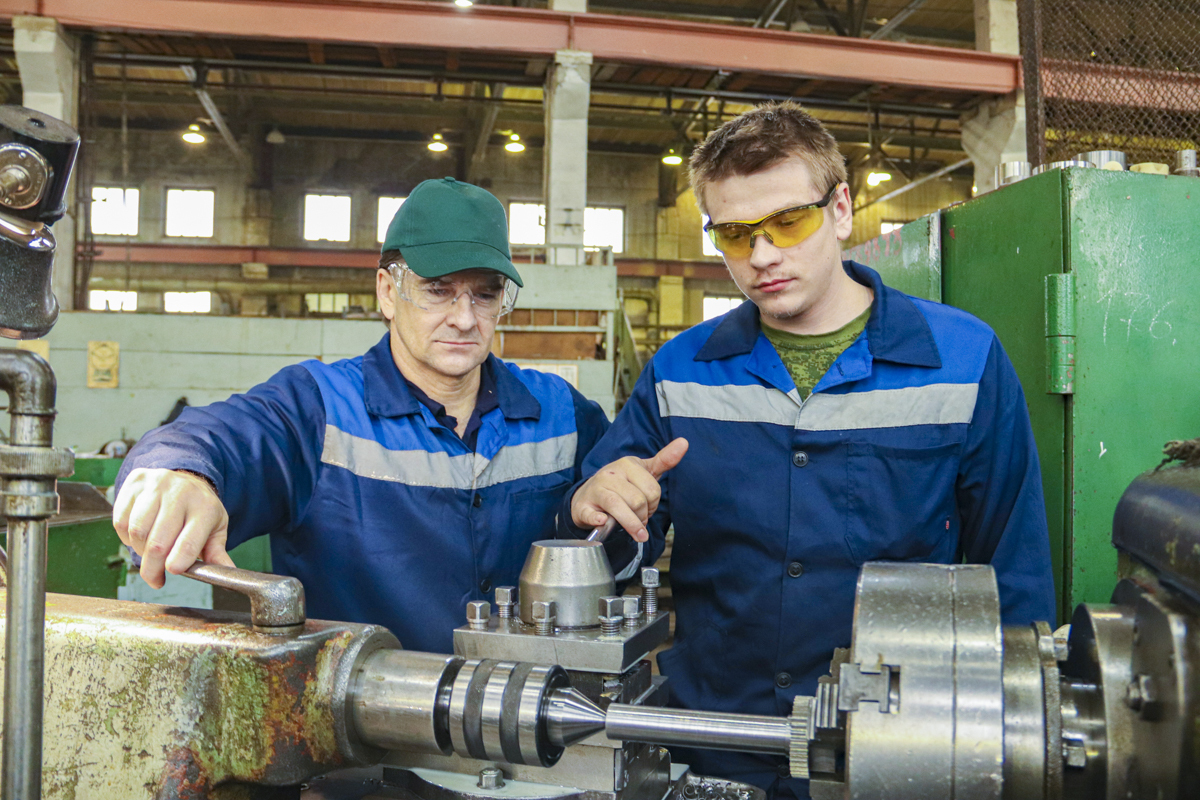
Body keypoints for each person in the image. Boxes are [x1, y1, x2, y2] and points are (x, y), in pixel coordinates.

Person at [558, 102, 1055, 798]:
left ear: (843, 208)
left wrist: (1014, 738)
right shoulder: (682, 371)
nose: (761, 257)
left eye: (788, 222)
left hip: (897, 748)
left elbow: (1015, 571)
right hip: (715, 744)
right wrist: (595, 509)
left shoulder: (962, 360)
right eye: (734, 234)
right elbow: (610, 548)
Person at [114, 177, 610, 653]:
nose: (465, 318)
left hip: (525, 727)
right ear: (387, 293)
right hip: (361, 730)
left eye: (485, 293)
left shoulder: (561, 414)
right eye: (437, 289)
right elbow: (223, 437)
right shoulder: (320, 410)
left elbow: (627, 537)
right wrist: (179, 472)